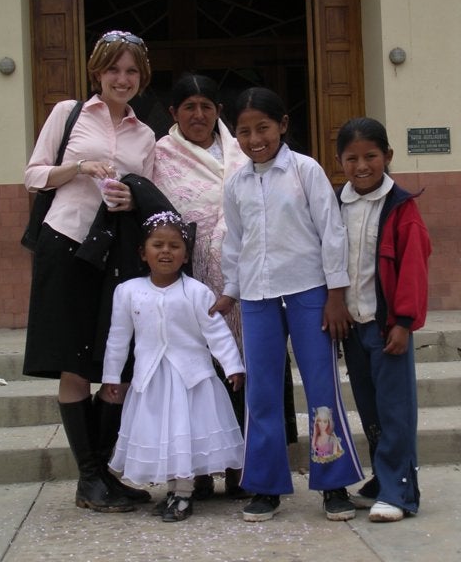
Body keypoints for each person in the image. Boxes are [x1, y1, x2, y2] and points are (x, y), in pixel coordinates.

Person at [23, 30, 171, 512]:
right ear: (98, 71)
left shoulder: (145, 134)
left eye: (131, 71)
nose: (122, 79)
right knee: (74, 360)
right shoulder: (68, 114)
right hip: (64, 244)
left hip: (113, 255)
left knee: (115, 362)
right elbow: (34, 174)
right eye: (114, 69)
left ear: (141, 78)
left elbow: (145, 195)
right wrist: (79, 168)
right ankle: (89, 478)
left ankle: (103, 472)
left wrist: (130, 197)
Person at [211, 87, 364, 523]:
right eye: (244, 131)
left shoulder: (305, 171)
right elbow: (234, 242)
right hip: (257, 298)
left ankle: (333, 482)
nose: (255, 138)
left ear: (282, 125)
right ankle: (265, 486)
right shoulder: (237, 182)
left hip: (309, 293)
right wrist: (231, 290)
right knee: (261, 394)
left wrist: (335, 294)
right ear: (235, 134)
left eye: (263, 128)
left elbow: (331, 232)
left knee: (321, 387)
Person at [153, 73, 298, 499]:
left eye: (207, 106)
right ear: (173, 114)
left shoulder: (242, 148)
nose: (198, 114)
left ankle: (247, 468)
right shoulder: (160, 157)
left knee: (249, 371)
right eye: (189, 107)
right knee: (199, 377)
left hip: (253, 282)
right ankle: (198, 469)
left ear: (219, 111)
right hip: (192, 288)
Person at [102, 211, 245, 522]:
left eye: (174, 246)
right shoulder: (128, 291)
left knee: (183, 433)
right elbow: (118, 337)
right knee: (165, 436)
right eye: (157, 245)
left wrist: (232, 365)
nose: (166, 251)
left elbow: (216, 332)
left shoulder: (196, 291)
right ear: (143, 252)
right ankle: (173, 490)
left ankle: (183, 495)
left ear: (185, 255)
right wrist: (111, 375)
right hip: (151, 379)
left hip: (191, 379)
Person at [336, 117, 431, 522]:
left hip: (386, 327)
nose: (362, 166)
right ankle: (383, 478)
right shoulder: (335, 204)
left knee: (395, 409)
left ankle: (400, 492)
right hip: (353, 327)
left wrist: (403, 321)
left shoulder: (402, 208)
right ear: (340, 161)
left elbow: (413, 268)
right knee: (370, 408)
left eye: (371, 156)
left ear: (387, 156)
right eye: (351, 158)